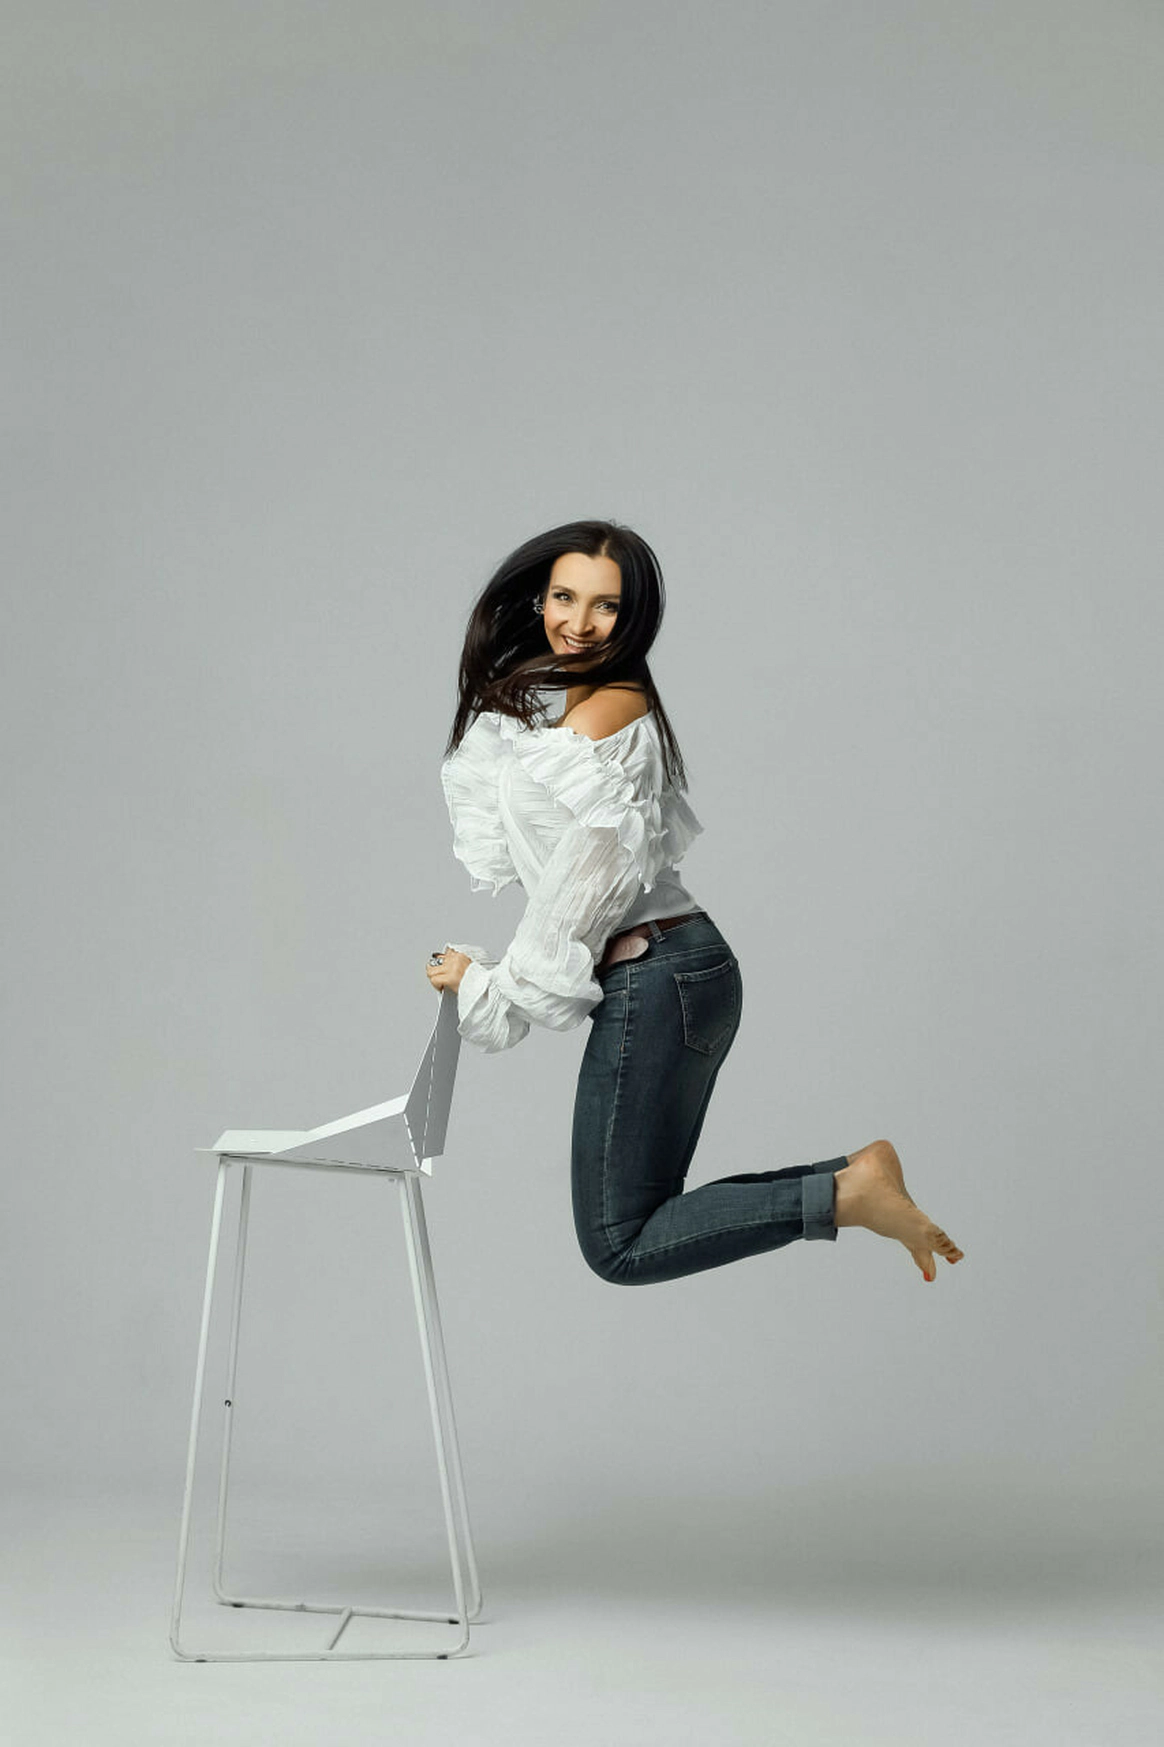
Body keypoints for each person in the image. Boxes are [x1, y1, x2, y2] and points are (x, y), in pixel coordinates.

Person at [426, 518, 963, 1287]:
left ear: (634, 616)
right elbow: (572, 886)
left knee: (619, 1242)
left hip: (660, 974)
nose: (579, 622)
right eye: (565, 597)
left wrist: (487, 987)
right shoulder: (593, 706)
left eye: (606, 605)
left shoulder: (601, 719)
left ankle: (847, 1193)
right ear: (540, 599)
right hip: (675, 968)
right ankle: (852, 1181)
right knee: (638, 1220)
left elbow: (579, 898)